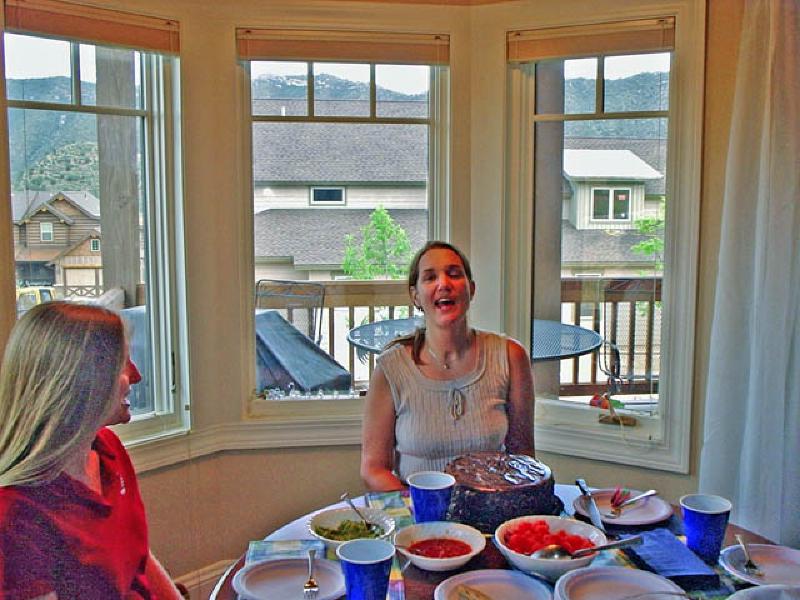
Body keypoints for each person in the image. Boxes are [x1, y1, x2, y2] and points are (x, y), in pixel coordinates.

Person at [0, 302, 184, 599]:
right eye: (122, 364)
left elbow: (139, 558)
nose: (136, 376)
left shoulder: (109, 448)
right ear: (79, 382)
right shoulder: (18, 514)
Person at [360, 241, 535, 491]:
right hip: (417, 511)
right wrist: (417, 505)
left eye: (454, 274)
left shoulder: (511, 356)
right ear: (415, 296)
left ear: (471, 289)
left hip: (491, 509)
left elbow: (524, 458)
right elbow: (373, 468)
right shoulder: (391, 368)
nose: (444, 284)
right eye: (430, 277)